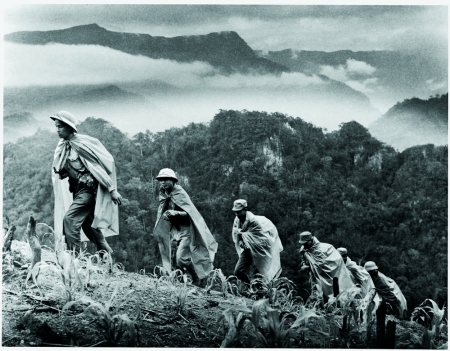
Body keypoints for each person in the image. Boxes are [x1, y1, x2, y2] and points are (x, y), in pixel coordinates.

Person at [51, 111, 122, 256]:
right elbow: (63, 169)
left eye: (60, 127)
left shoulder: (79, 146)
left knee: (70, 219)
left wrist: (111, 189)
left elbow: (96, 168)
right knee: (89, 226)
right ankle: (106, 255)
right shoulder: (65, 146)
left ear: (70, 127)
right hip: (78, 191)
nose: (57, 130)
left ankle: (75, 259)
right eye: (56, 126)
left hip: (89, 191)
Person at [153, 168, 218, 284]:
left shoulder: (180, 193)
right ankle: (181, 279)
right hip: (175, 232)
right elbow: (163, 209)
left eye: (166, 179)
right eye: (161, 180)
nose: (162, 182)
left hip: (187, 230)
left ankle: (197, 278)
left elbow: (190, 214)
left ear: (173, 181)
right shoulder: (163, 193)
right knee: (172, 257)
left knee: (181, 259)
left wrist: (176, 213)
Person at [231, 199, 283, 285]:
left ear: (245, 210)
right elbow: (238, 233)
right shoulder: (237, 220)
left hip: (261, 250)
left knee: (261, 275)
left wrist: (242, 234)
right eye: (235, 212)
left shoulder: (255, 222)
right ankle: (249, 287)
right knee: (238, 271)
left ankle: (260, 293)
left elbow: (261, 237)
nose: (237, 214)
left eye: (239, 212)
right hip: (248, 249)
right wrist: (240, 240)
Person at [299, 232, 354, 301]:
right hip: (315, 278)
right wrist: (304, 263)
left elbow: (325, 264)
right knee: (317, 297)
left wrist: (307, 267)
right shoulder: (305, 250)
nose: (304, 245)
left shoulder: (324, 248)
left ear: (311, 240)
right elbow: (304, 259)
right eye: (302, 244)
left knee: (334, 297)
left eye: (305, 243)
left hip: (330, 278)